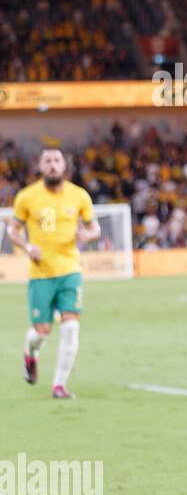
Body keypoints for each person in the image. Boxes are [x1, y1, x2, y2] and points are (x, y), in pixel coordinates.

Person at [9, 148, 100, 400]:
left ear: (64, 165)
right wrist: (27, 246)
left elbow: (95, 228)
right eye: (47, 161)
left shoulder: (79, 195)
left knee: (71, 328)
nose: (52, 165)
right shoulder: (26, 197)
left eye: (56, 160)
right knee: (41, 332)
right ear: (40, 166)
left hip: (70, 271)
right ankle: (31, 354)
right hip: (41, 274)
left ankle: (59, 385)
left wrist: (88, 234)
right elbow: (12, 231)